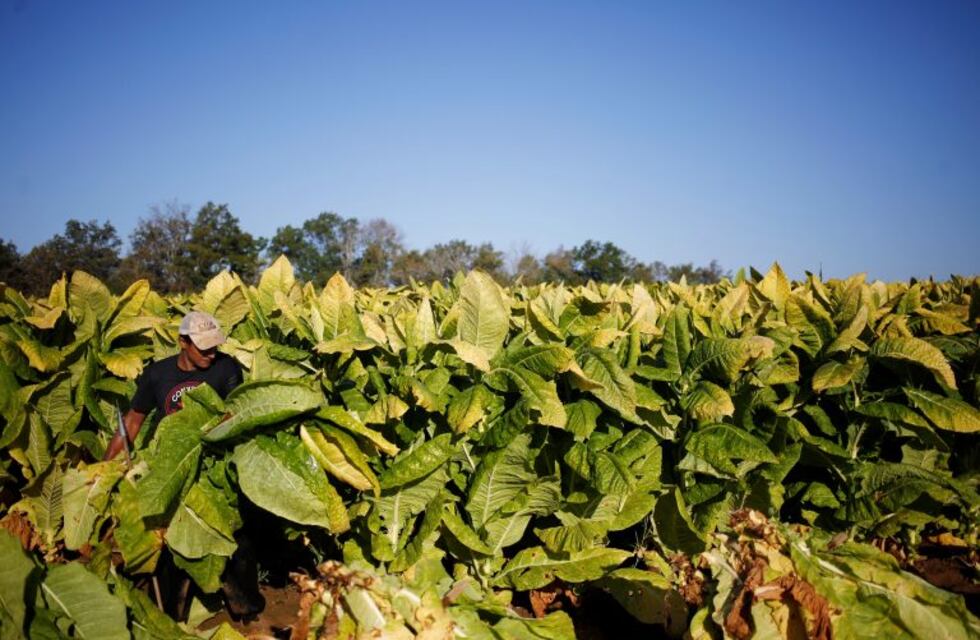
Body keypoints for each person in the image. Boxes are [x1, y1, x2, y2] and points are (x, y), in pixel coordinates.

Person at [104, 311, 242, 461]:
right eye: (204, 348)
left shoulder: (226, 367)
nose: (212, 354)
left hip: (212, 455)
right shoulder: (157, 373)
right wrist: (104, 467)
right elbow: (132, 422)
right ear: (183, 342)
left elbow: (235, 413)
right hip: (166, 457)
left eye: (214, 346)